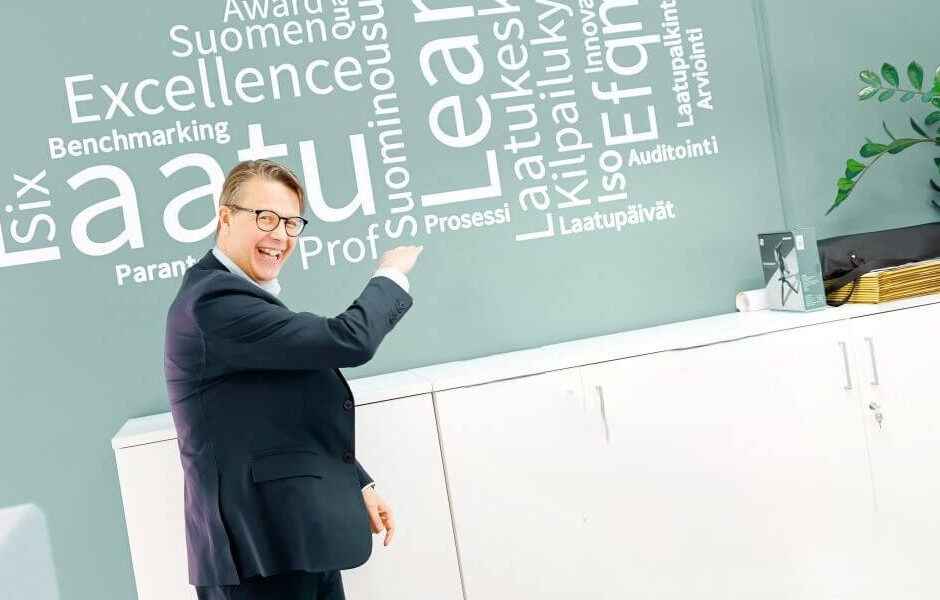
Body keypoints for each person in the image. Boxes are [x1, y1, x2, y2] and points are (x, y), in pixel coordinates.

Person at [163, 159, 423, 599]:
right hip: (259, 552)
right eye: (265, 218)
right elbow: (349, 340)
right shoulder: (213, 302)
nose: (280, 236)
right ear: (226, 217)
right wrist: (391, 275)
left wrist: (356, 481)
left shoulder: (237, 298)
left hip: (295, 539)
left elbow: (280, 414)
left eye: (290, 223)